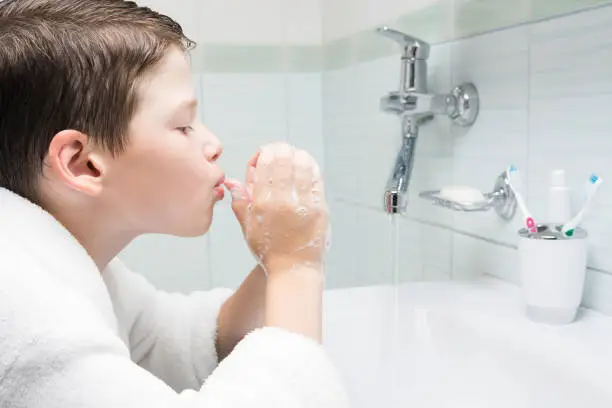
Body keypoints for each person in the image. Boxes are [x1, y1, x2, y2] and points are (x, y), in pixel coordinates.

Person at [0, 1, 348, 407]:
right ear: (84, 164)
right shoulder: (29, 312)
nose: (213, 145)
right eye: (183, 126)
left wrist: (279, 257)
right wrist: (297, 268)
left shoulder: (51, 257)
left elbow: (168, 344)